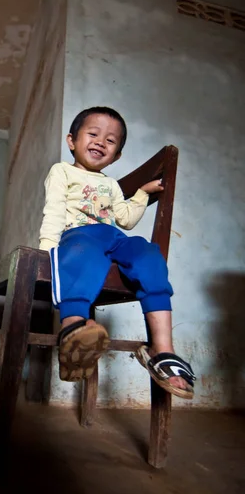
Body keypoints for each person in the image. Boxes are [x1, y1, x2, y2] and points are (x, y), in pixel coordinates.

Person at [39, 106, 196, 399]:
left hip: (113, 237)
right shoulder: (61, 171)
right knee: (83, 254)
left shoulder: (111, 184)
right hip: (79, 235)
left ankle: (162, 350)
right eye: (93, 134)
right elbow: (54, 210)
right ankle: (73, 330)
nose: (101, 142)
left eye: (110, 141)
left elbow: (124, 218)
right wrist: (47, 250)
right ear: (71, 140)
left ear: (117, 156)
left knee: (149, 254)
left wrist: (142, 194)